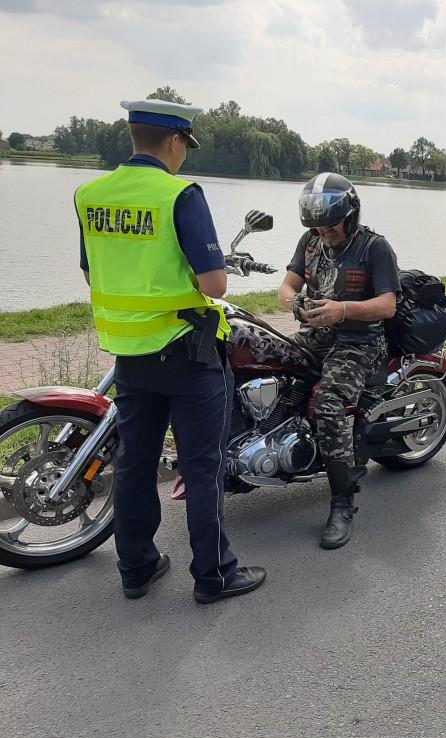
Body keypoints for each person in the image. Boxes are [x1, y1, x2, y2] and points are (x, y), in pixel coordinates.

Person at [75, 99, 266, 603]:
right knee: (201, 466)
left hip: (129, 355)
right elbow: (215, 283)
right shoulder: (180, 194)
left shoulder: (90, 194)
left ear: (133, 137)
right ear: (176, 142)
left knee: (136, 464)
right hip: (188, 353)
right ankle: (214, 576)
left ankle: (136, 567)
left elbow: (93, 272)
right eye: (185, 146)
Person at [278, 173, 401, 549]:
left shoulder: (374, 248)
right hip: (317, 335)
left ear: (350, 216)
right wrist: (295, 303)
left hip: (360, 341)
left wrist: (343, 310)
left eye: (330, 224)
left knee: (328, 404)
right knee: (268, 367)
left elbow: (389, 305)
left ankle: (342, 503)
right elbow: (288, 286)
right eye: (317, 225)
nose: (324, 232)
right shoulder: (310, 242)